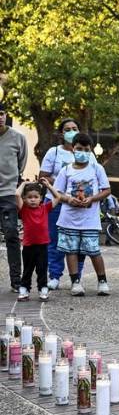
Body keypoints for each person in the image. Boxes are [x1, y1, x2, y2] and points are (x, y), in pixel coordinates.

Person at [40, 133, 112, 296]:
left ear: (91, 151)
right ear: (73, 149)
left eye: (86, 149)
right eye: (79, 149)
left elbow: (107, 190)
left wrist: (92, 199)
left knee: (94, 251)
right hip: (68, 219)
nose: (82, 152)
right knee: (70, 251)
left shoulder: (97, 168)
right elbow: (57, 192)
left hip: (90, 220)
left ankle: (102, 281)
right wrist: (69, 199)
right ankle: (75, 282)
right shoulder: (66, 170)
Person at [39, 118, 91, 290]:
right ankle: (54, 275)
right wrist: (63, 181)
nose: (71, 131)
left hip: (78, 203)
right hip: (55, 201)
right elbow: (43, 176)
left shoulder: (88, 153)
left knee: (79, 241)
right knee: (54, 239)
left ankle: (77, 277)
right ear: (61, 133)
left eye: (74, 128)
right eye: (67, 129)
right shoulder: (54, 152)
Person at [0, 103, 29, 291]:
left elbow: (21, 164)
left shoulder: (18, 138)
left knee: (11, 235)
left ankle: (16, 281)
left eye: (1, 113)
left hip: (8, 193)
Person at [16, 181, 51, 301]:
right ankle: (24, 289)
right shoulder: (23, 210)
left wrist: (49, 186)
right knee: (27, 269)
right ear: (24, 198)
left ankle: (43, 288)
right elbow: (16, 195)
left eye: (36, 197)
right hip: (28, 246)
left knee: (42, 269)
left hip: (42, 246)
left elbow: (58, 197)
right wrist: (24, 183)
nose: (32, 200)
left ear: (41, 198)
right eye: (29, 197)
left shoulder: (45, 208)